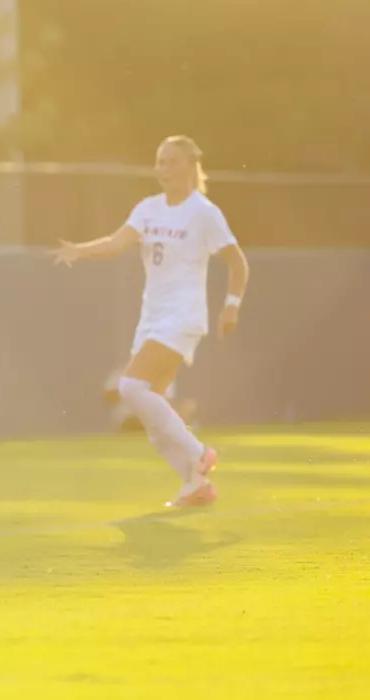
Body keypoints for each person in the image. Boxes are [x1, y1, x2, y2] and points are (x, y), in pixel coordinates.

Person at [52, 136, 249, 507]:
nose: (164, 169)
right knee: (152, 415)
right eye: (160, 162)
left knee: (130, 388)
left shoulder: (203, 212)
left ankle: (199, 453)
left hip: (183, 316)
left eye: (172, 161)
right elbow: (115, 243)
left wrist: (232, 305)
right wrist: (80, 250)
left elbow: (237, 261)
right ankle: (195, 484)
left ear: (190, 166)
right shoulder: (148, 208)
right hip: (152, 320)